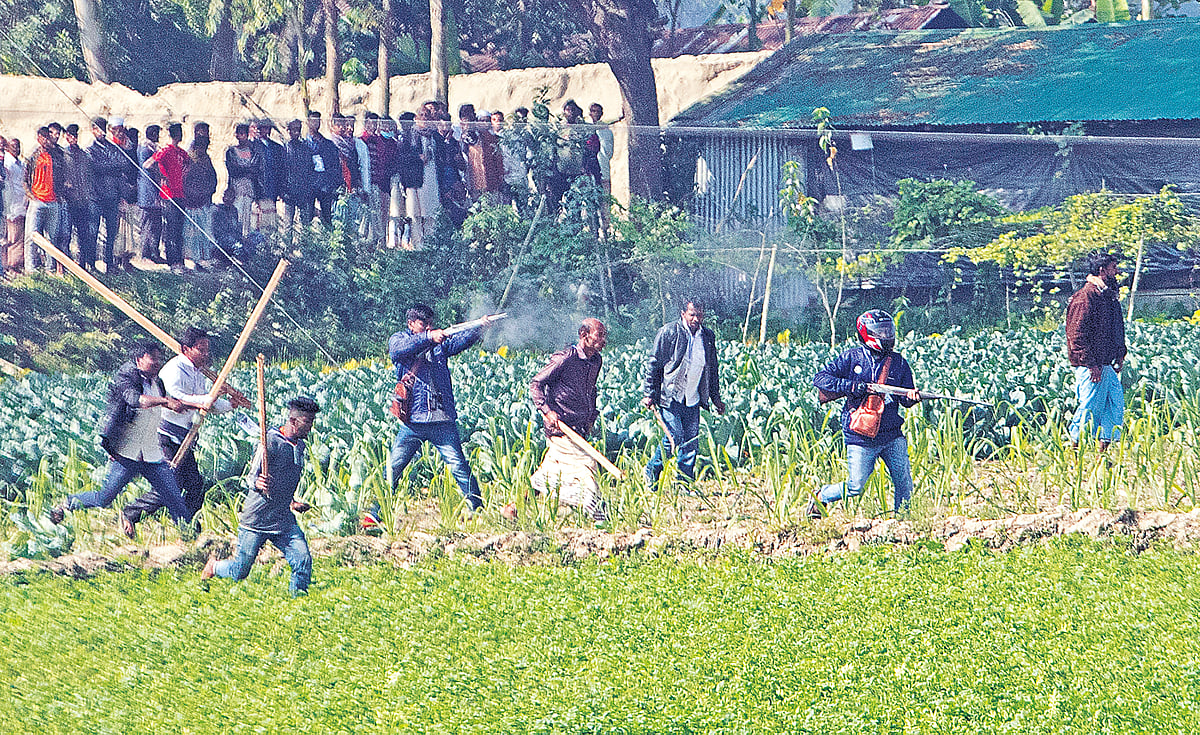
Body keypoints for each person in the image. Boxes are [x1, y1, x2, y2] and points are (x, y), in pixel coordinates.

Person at [120, 328, 251, 537]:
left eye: (206, 350)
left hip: (184, 437)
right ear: (186, 349)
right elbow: (176, 399)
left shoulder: (199, 373)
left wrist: (230, 404)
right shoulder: (174, 369)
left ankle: (188, 527)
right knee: (170, 483)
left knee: (194, 485)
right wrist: (209, 398)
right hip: (164, 434)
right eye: (200, 349)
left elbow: (206, 404)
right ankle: (130, 513)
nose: (205, 354)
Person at [50, 342, 193, 530]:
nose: (157, 363)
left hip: (151, 454)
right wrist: (165, 401)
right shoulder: (126, 377)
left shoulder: (157, 383)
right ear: (139, 359)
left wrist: (182, 404)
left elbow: (165, 403)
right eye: (153, 358)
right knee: (104, 498)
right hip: (127, 453)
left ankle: (188, 533)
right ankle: (68, 503)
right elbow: (136, 400)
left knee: (173, 497)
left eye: (159, 359)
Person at [808, 310, 922, 519]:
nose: (886, 335)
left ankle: (904, 521)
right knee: (856, 486)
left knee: (904, 482)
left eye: (888, 331)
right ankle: (821, 495)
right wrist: (852, 387)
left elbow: (905, 400)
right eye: (881, 331)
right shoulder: (851, 357)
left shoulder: (899, 362)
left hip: (892, 433)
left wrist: (912, 398)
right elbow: (821, 379)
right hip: (860, 435)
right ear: (866, 333)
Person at [202, 396, 320, 597]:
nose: (310, 427)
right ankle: (214, 567)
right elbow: (251, 477)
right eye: (307, 422)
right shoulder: (270, 442)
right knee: (240, 571)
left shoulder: (299, 447)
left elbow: (287, 478)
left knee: (303, 560)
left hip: (282, 520)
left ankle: (299, 600)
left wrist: (292, 502)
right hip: (256, 520)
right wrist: (258, 483)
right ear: (293, 421)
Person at [387, 305, 498, 513]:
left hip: (442, 420)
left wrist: (480, 327)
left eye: (431, 324)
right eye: (423, 324)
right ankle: (375, 513)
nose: (429, 327)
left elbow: (459, 341)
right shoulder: (400, 339)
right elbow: (399, 349)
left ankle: (476, 510)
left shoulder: (439, 345)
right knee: (393, 468)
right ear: (411, 324)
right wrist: (429, 337)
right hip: (413, 421)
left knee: (459, 466)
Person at [526, 318, 609, 522]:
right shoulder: (565, 358)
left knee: (550, 472)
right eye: (599, 335)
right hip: (561, 428)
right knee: (587, 465)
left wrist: (591, 415)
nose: (603, 340)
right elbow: (536, 384)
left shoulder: (596, 361)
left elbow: (591, 390)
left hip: (579, 428)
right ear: (584, 336)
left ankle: (514, 508)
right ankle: (599, 516)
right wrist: (547, 411)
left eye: (604, 336)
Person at [642, 299, 725, 486]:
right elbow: (654, 363)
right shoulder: (669, 332)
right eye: (692, 314)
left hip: (693, 397)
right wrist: (649, 393)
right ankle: (652, 469)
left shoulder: (707, 337)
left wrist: (716, 398)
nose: (696, 319)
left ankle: (684, 483)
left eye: (699, 315)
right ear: (683, 314)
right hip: (670, 396)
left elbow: (712, 370)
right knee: (674, 436)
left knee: (691, 442)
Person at [1065, 251, 1127, 451]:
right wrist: (1091, 365)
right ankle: (1074, 457)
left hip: (1106, 364)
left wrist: (1120, 353)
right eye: (1113, 268)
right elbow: (1076, 335)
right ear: (1102, 270)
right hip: (1091, 367)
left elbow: (1114, 329)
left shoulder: (1106, 296)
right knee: (1088, 410)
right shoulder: (1085, 297)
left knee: (1114, 407)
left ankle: (1103, 458)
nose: (1116, 272)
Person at [147, 122, 190, 269]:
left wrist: (183, 175)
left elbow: (188, 165)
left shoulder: (182, 153)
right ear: (175, 134)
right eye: (179, 132)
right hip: (168, 194)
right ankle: (172, 260)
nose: (180, 135)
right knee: (171, 228)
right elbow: (148, 164)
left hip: (180, 193)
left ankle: (179, 259)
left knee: (179, 229)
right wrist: (161, 176)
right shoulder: (165, 151)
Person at [87, 118, 124, 273]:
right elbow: (95, 167)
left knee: (111, 233)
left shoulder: (113, 148)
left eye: (103, 128)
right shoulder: (90, 150)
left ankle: (109, 263)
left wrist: (109, 167)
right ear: (93, 130)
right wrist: (112, 167)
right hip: (96, 197)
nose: (101, 132)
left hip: (112, 196)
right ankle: (91, 264)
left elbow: (122, 165)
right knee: (93, 232)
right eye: (98, 129)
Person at [23, 126, 61, 272]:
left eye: (47, 136)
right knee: (31, 236)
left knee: (51, 238)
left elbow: (62, 176)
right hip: (37, 201)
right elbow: (25, 179)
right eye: (43, 136)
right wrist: (31, 196)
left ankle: (50, 268)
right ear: (38, 138)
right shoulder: (33, 156)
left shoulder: (55, 155)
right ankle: (30, 269)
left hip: (52, 201)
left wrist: (59, 195)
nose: (45, 139)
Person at [61, 124, 97, 270]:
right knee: (65, 235)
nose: (73, 138)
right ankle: (65, 266)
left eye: (75, 135)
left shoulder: (83, 155)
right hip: (68, 201)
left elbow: (89, 176)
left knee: (83, 235)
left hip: (82, 201)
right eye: (70, 135)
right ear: (66, 136)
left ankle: (82, 265)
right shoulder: (63, 154)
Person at [182, 133, 218, 268]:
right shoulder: (188, 160)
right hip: (190, 201)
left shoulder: (206, 160)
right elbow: (184, 179)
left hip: (203, 200)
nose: (202, 150)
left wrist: (207, 191)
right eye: (200, 147)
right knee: (191, 232)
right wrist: (192, 193)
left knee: (203, 231)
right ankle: (191, 258)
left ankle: (202, 257)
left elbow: (212, 178)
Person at [225, 123, 261, 239]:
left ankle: (247, 243)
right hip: (236, 190)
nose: (241, 137)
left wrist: (243, 169)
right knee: (237, 217)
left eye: (243, 134)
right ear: (236, 135)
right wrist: (247, 169)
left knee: (249, 220)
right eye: (239, 134)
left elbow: (255, 170)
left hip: (250, 190)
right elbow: (233, 170)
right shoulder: (231, 152)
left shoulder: (253, 152)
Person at [281, 118, 316, 237]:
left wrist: (309, 189)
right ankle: (287, 247)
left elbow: (310, 169)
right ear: (288, 130)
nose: (296, 132)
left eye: (298, 129)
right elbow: (281, 171)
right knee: (288, 224)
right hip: (289, 192)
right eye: (294, 129)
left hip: (303, 192)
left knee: (305, 224)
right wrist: (283, 191)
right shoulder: (284, 149)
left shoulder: (305, 148)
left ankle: (305, 246)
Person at [305, 111, 341, 226]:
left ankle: (328, 236)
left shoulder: (328, 144)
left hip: (324, 185)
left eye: (318, 121)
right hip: (309, 184)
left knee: (327, 217)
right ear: (308, 122)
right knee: (307, 217)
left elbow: (334, 165)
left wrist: (333, 184)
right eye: (313, 121)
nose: (316, 124)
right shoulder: (304, 144)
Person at [251, 120, 283, 235]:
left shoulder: (276, 148)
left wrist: (280, 190)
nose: (262, 131)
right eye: (260, 128)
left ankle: (269, 243)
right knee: (257, 221)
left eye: (265, 128)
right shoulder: (252, 146)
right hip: (258, 189)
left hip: (272, 189)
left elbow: (280, 170)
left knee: (270, 221)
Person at [3, 138, 26, 277]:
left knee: (20, 238)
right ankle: (10, 266)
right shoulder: (7, 163)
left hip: (21, 204)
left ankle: (17, 265)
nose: (16, 149)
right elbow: (8, 186)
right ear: (7, 147)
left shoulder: (20, 163)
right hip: (12, 205)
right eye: (13, 146)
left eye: (18, 146)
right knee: (12, 238)